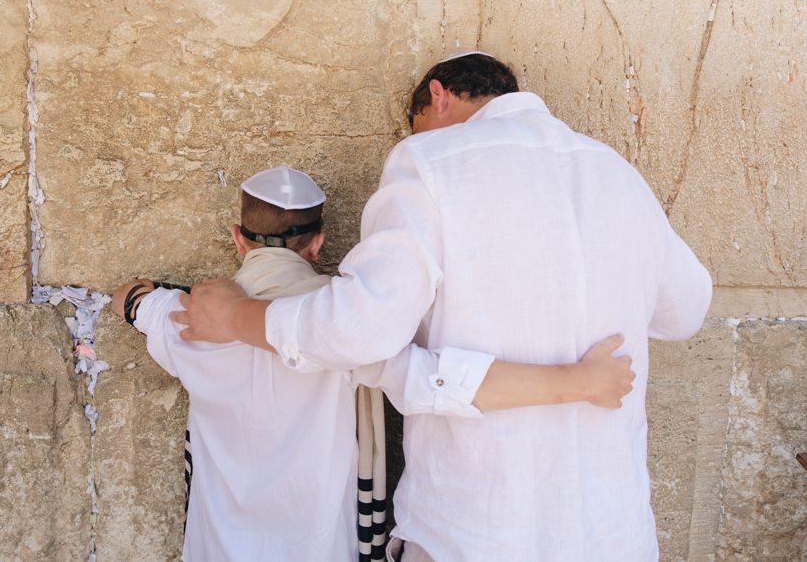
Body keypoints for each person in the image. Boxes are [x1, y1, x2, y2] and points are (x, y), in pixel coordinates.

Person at [174, 53, 713, 561]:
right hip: (611, 529)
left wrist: (234, 317)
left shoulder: (430, 162)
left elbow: (358, 329)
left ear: (438, 96)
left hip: (474, 526)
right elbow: (685, 310)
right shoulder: (616, 171)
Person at [113, 164, 636, 562]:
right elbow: (443, 383)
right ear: (317, 243)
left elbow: (129, 298)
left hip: (216, 548)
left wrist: (164, 295)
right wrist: (580, 381)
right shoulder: (344, 327)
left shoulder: (186, 320)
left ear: (236, 236)